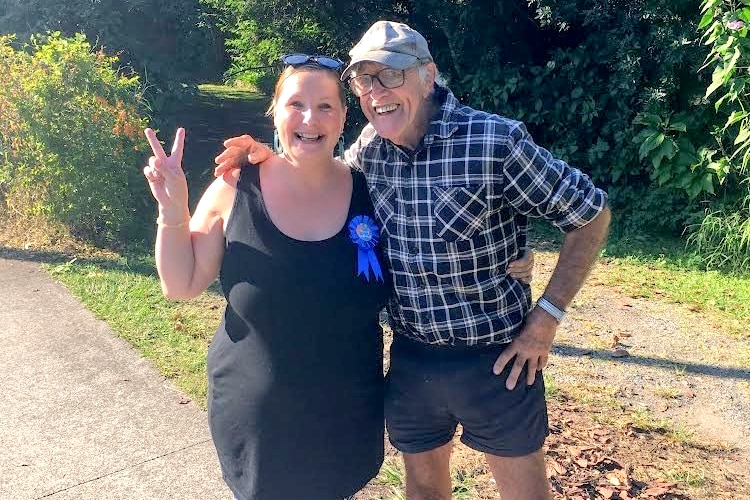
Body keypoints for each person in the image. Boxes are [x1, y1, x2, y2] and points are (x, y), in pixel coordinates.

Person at [216, 22, 599, 500]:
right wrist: (266, 158)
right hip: (411, 358)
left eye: (391, 74)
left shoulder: (494, 141)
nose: (377, 92)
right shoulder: (368, 156)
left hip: (498, 358)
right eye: (364, 80)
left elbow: (590, 213)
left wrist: (547, 316)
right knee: (423, 490)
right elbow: (312, 164)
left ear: (428, 75)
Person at [142, 55, 395, 500]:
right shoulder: (235, 189)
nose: (309, 119)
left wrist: (512, 258)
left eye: (325, 106)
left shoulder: (371, 188)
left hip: (347, 416)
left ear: (343, 118)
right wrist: (171, 209)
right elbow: (180, 284)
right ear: (274, 113)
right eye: (295, 104)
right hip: (259, 426)